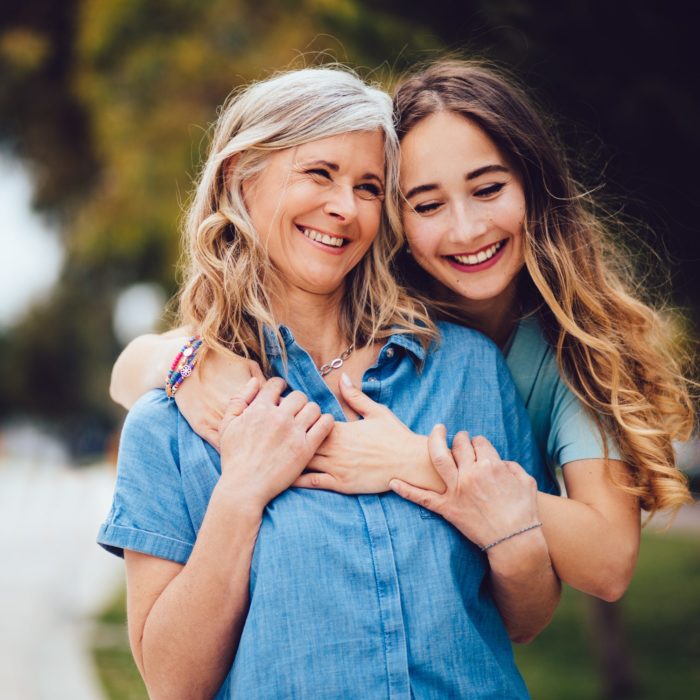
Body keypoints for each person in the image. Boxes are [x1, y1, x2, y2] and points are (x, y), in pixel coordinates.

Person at [112, 60, 695, 604]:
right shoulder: (375, 306)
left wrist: (414, 460)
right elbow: (133, 367)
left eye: (489, 189)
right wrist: (186, 365)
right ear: (394, 213)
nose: (466, 229)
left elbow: (609, 559)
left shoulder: (571, 342)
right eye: (426, 204)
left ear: (534, 188)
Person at [98, 66, 560, 700]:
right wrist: (240, 494)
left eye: (369, 187)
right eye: (320, 173)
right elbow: (171, 685)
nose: (344, 208)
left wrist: (505, 526)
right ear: (242, 177)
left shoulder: (465, 370)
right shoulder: (173, 422)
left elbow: (528, 619)